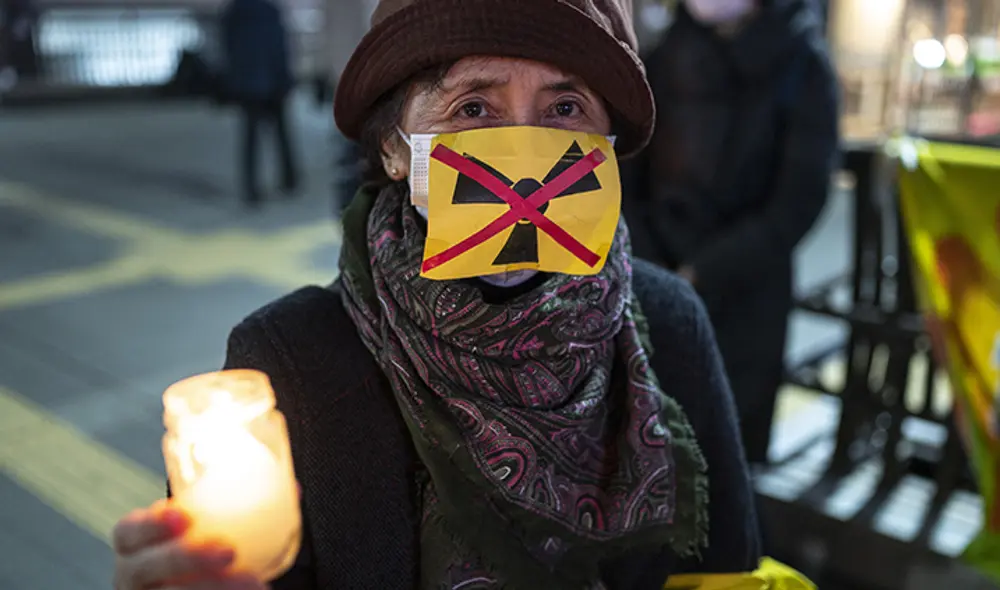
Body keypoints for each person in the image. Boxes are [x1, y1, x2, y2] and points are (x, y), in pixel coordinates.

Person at [111, 1, 761, 589]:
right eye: (473, 108)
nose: (524, 149)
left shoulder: (669, 323)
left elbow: (728, 569)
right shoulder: (289, 362)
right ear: (395, 145)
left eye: (565, 109)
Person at [622, 0, 840, 465]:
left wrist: (703, 270)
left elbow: (800, 197)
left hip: (746, 292)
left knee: (724, 453)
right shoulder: (662, 55)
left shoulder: (802, 62)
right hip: (652, 275)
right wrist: (653, 263)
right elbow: (625, 173)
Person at [221, 0, 300, 206]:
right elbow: (279, 47)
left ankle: (250, 188)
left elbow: (228, 50)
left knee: (250, 138)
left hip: (248, 84)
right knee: (281, 134)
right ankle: (289, 179)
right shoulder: (270, 11)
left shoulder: (233, 12)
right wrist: (285, 79)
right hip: (273, 81)